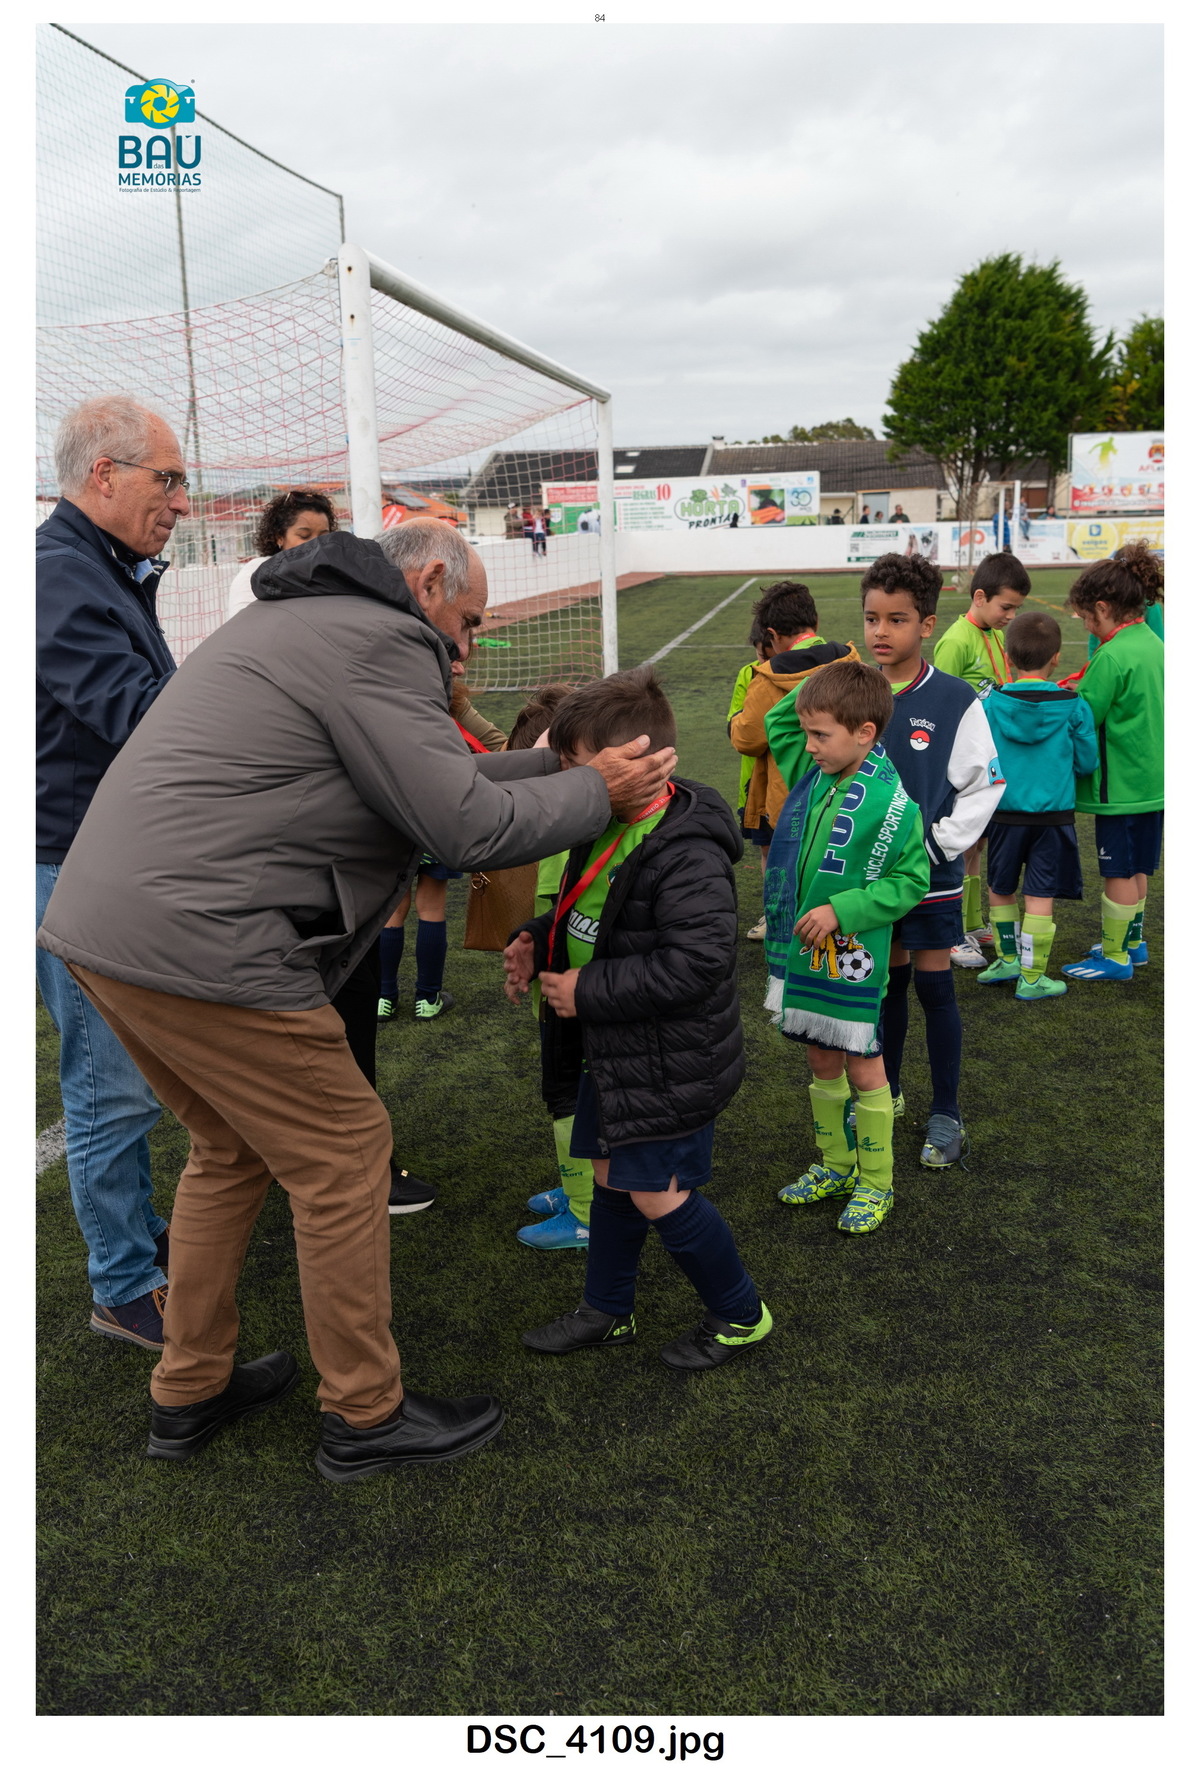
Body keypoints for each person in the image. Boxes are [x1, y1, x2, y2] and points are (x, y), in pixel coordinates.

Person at [38, 526, 677, 1478]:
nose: (466, 647)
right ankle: (365, 1414)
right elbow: (462, 825)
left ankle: (189, 1386)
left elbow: (422, 781)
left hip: (110, 927)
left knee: (229, 1149)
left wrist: (554, 772)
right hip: (208, 938)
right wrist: (595, 791)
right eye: (468, 621)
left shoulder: (304, 621)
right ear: (428, 581)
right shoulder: (382, 640)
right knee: (346, 1153)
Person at [505, 667, 772, 1371]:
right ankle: (607, 1308)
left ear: (639, 762)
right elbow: (598, 916)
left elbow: (699, 961)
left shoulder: (685, 848)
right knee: (608, 1173)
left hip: (667, 1059)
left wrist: (587, 989)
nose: (572, 784)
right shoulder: (604, 823)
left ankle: (742, 1313)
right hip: (617, 1052)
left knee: (657, 1191)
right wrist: (537, 937)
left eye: (579, 768)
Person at [37, 395, 190, 1350]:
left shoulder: (96, 565)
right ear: (105, 474)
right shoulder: (60, 572)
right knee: (108, 1083)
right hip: (71, 864)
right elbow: (138, 713)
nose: (180, 501)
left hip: (95, 856)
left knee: (125, 1073)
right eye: (166, 479)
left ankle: (137, 1235)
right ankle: (124, 1285)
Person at [761, 661, 929, 1234]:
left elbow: (911, 881)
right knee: (819, 1057)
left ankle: (876, 1182)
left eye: (819, 734)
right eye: (808, 733)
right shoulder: (814, 776)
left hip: (854, 959)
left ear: (865, 733)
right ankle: (835, 1164)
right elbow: (778, 722)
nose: (807, 745)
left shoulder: (892, 803)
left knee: (864, 1065)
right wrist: (822, 668)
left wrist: (843, 909)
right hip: (806, 954)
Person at [859, 552, 1005, 1169]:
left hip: (930, 875)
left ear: (926, 624)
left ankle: (946, 1111)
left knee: (934, 985)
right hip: (869, 880)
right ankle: (887, 1092)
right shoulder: (855, 692)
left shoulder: (952, 699)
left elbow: (986, 784)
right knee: (886, 984)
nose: (881, 631)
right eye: (872, 618)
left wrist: (936, 845)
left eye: (897, 619)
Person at [506, 685, 597, 1252]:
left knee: (567, 1088)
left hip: (574, 983)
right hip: (564, 973)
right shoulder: (573, 816)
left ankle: (586, 1212)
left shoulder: (575, 822)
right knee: (565, 1084)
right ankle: (578, 1186)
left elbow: (564, 910)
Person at [975, 610, 1098, 1000]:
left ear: (1009, 657)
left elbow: (977, 755)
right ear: (1056, 658)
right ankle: (1031, 978)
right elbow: (1087, 762)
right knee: (1039, 895)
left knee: (1000, 887)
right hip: (1052, 817)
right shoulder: (1074, 706)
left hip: (1003, 814)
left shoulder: (989, 703)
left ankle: (1008, 960)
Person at [729, 581, 860, 939]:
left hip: (789, 796)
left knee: (784, 865)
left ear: (771, 635)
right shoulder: (850, 660)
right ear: (814, 622)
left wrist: (734, 721)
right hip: (848, 788)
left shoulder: (768, 677)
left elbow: (747, 739)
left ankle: (782, 924)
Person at [1060, 541, 1164, 982]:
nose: (1086, 625)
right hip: (1153, 783)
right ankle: (1133, 943)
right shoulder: (1154, 643)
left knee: (1118, 870)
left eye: (1086, 617)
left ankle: (1116, 957)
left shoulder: (1111, 655)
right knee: (1139, 866)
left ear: (1102, 609)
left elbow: (1086, 717)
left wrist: (1065, 698)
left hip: (1119, 787)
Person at [933, 553, 1031, 969]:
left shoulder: (994, 634)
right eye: (1006, 607)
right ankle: (951, 930)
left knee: (977, 844)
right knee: (959, 846)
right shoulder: (956, 641)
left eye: (1016, 609)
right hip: (959, 763)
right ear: (979, 597)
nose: (1011, 616)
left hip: (987, 760)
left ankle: (971, 922)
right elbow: (938, 705)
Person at [226, 489, 337, 618]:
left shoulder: (333, 573)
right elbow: (243, 623)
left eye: (323, 537)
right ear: (279, 537)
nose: (316, 544)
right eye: (304, 535)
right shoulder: (256, 572)